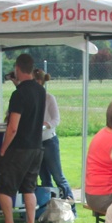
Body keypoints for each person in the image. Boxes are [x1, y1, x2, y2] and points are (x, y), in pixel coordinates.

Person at [0, 53, 46, 223]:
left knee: (3, 187)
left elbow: (13, 127)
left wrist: (3, 148)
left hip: (19, 147)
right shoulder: (40, 90)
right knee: (29, 187)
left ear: (17, 68)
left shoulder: (18, 94)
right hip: (36, 146)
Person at [34, 69, 74, 202]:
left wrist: (45, 125)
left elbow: (56, 119)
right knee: (44, 178)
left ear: (39, 82)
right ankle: (49, 206)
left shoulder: (49, 98)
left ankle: (70, 205)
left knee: (58, 176)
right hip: (36, 143)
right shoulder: (30, 99)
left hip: (49, 140)